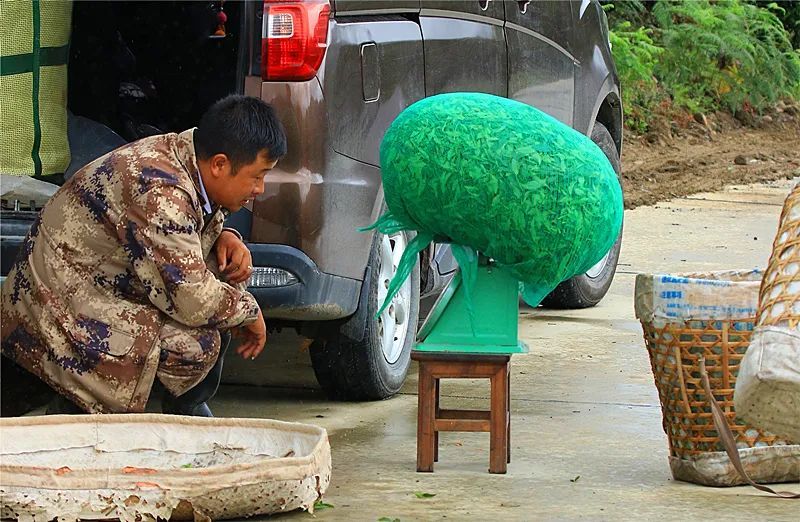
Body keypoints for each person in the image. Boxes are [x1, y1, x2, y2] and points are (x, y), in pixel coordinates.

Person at [1, 95, 286, 416]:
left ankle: (183, 411)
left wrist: (223, 235)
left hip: (85, 291)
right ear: (220, 164)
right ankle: (88, 405)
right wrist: (249, 311)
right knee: (196, 344)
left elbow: (180, 228)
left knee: (223, 277)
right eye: (258, 176)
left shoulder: (183, 156)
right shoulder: (161, 190)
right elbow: (192, 298)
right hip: (50, 315)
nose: (260, 189)